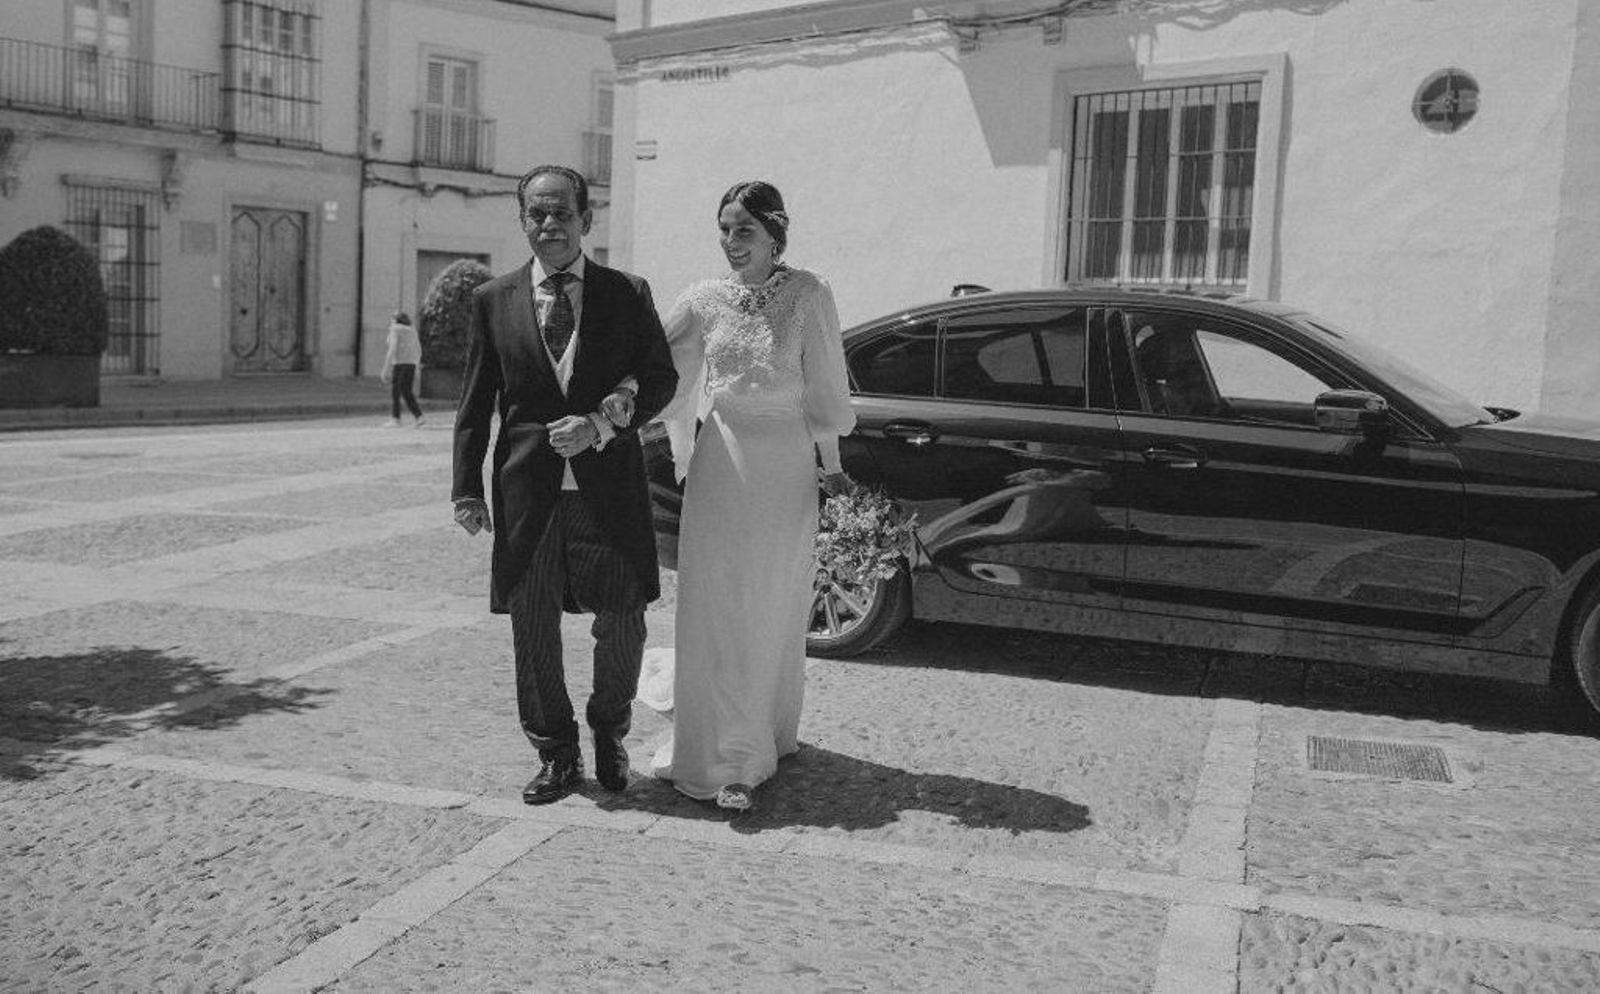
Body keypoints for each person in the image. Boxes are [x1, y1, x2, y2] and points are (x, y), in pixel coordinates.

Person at [452, 164, 678, 805]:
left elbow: (659, 379)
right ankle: (555, 752)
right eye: (536, 214)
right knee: (532, 623)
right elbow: (475, 402)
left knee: (624, 618)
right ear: (522, 219)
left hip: (610, 490)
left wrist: (605, 422)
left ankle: (610, 734)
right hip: (528, 492)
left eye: (562, 213)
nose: (549, 225)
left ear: (587, 219)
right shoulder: (493, 300)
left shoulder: (627, 292)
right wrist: (465, 487)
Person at [649, 180, 855, 811]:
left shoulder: (808, 293)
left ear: (774, 233)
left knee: (767, 605)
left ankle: (756, 740)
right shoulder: (702, 300)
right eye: (724, 229)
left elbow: (824, 387)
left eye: (744, 230)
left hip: (785, 467)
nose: (731, 242)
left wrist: (833, 467)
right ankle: (718, 750)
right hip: (721, 461)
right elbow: (655, 363)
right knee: (716, 603)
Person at [381, 311, 425, 428]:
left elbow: (392, 348)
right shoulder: (412, 330)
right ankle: (418, 416)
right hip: (411, 364)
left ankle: (396, 419)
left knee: (396, 392)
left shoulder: (395, 329)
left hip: (399, 364)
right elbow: (418, 348)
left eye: (392, 319)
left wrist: (385, 368)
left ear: (395, 320)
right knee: (406, 392)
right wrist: (417, 364)